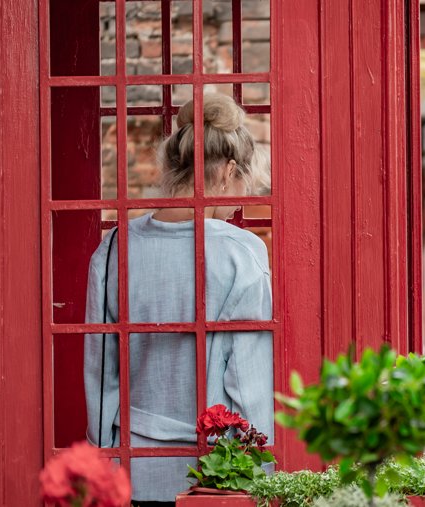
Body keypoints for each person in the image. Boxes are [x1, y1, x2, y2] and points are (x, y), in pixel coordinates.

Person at [84, 93, 273, 506]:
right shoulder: (241, 252)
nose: (241, 196)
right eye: (244, 181)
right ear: (226, 172)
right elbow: (248, 381)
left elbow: (102, 374)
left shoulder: (115, 248)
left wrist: (103, 463)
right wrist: (261, 477)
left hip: (130, 471)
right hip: (210, 476)